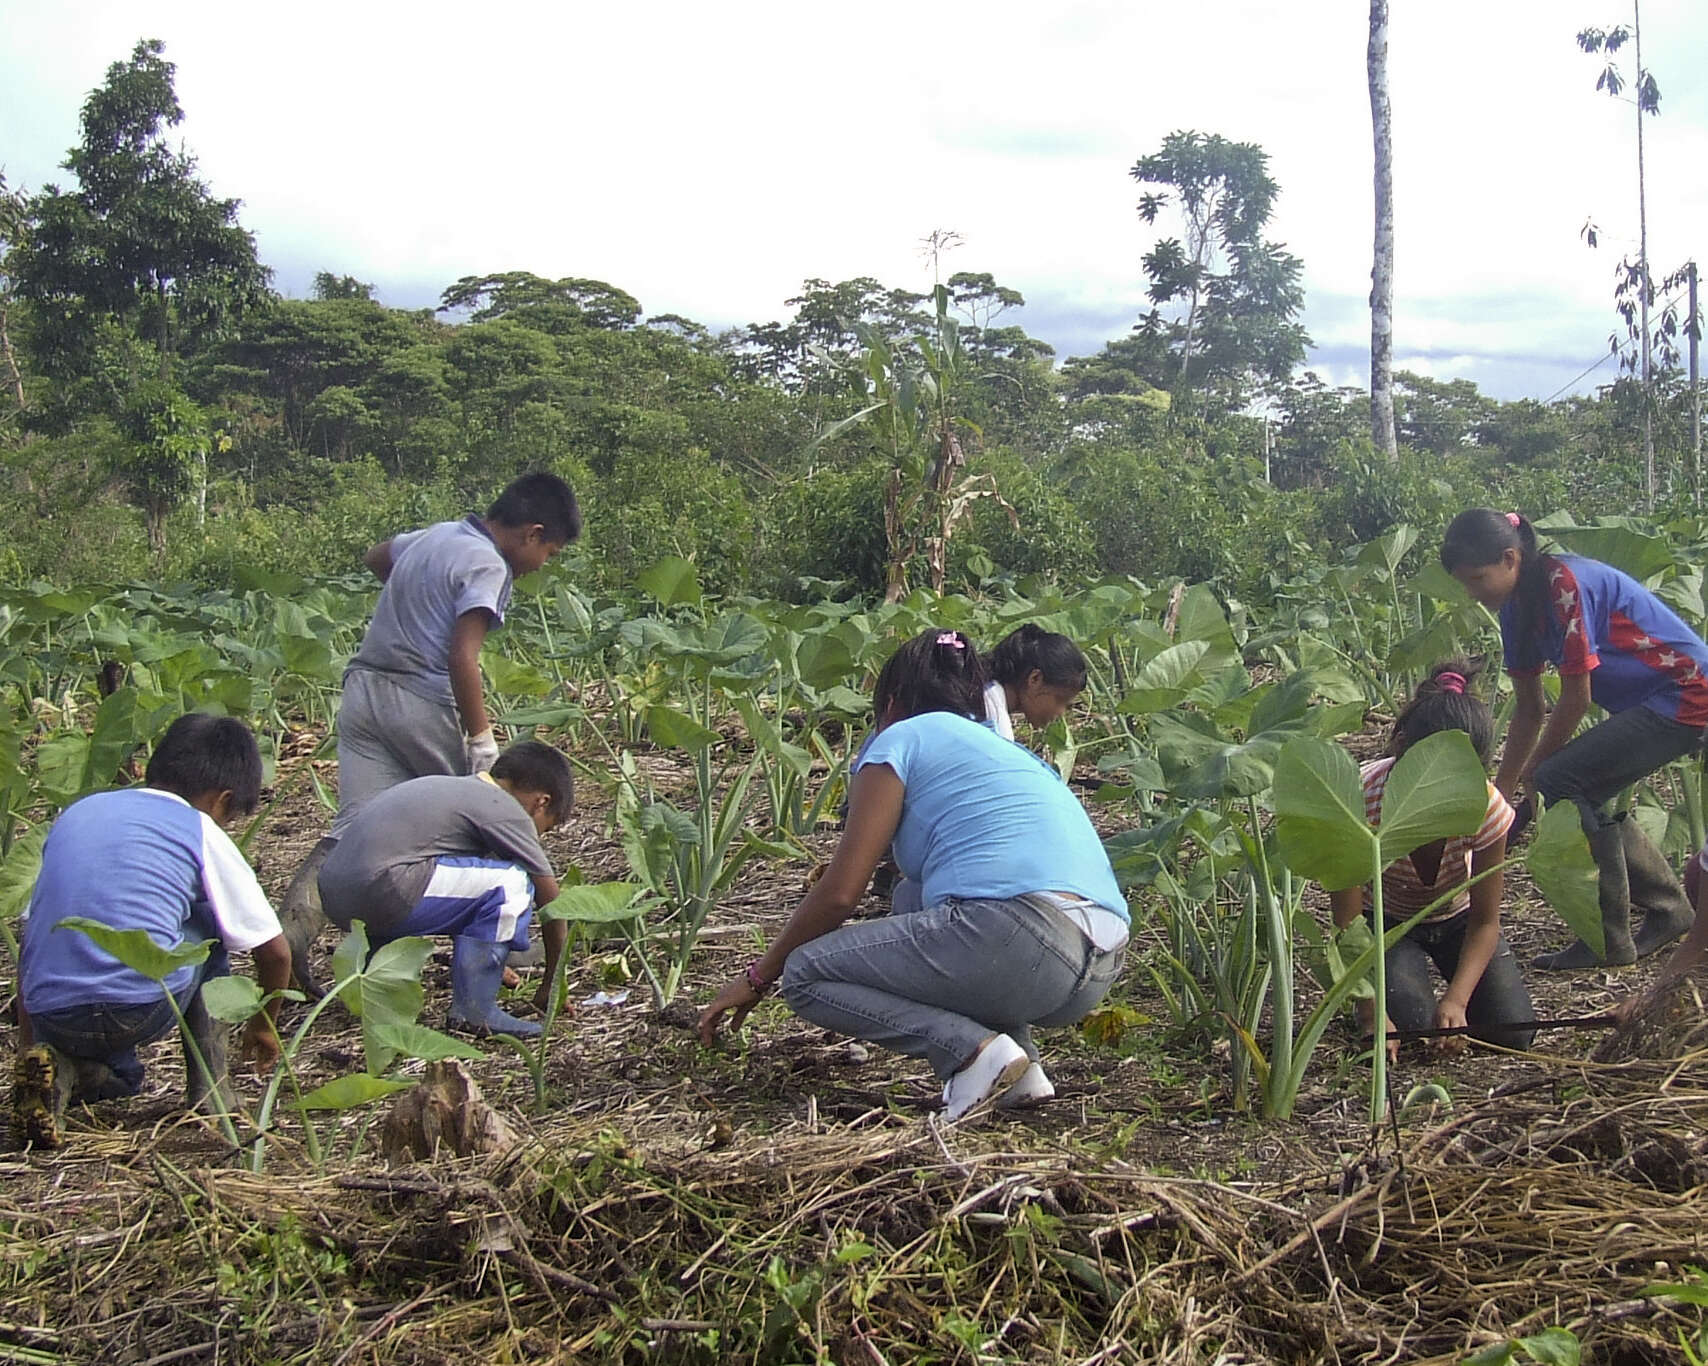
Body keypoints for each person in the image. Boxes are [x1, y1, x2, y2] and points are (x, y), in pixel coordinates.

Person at [698, 629, 1129, 1123]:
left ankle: (971, 1055)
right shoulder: (1006, 750)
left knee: (805, 973)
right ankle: (1023, 1071)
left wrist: (758, 976)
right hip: (1098, 962)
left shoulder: (898, 739)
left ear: (893, 702)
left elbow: (841, 894)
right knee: (913, 896)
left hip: (1023, 943)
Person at [278, 472, 581, 993]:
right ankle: (499, 951)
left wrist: (413, 608)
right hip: (420, 699)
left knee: (354, 827)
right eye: (550, 552)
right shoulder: (489, 563)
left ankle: (288, 943)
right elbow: (462, 657)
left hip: (364, 690)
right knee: (472, 819)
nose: (542, 565)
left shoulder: (436, 535)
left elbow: (378, 556)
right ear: (532, 533)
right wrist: (481, 739)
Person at [1442, 508, 1704, 970]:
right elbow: (1528, 709)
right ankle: (1668, 909)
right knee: (1577, 785)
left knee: (1560, 779)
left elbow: (1576, 698)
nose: (1474, 593)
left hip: (1686, 691)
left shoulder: (1563, 584)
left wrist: (1535, 772)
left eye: (1479, 579)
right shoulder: (1513, 610)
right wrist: (1499, 801)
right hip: (1656, 700)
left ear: (1510, 558)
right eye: (1466, 584)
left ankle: (1608, 940)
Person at [12, 714, 290, 1149]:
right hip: (139, 1006)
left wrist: (31, 1042)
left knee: (127, 1078)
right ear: (223, 800)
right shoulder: (199, 828)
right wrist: (263, 1026)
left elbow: (32, 941)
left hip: (56, 1009)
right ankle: (212, 1095)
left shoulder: (76, 814)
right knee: (209, 926)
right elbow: (274, 952)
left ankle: (62, 1069)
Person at [1330, 660, 1536, 1057]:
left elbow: (1485, 921)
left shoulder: (1485, 805)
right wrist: (1371, 1011)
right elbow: (1348, 923)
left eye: (1458, 774)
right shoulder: (1359, 799)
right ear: (1402, 747)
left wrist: (1457, 1001)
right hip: (1385, 924)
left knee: (1512, 1033)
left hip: (1455, 919)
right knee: (1412, 1031)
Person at [315, 739, 573, 1039]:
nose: (539, 835)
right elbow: (549, 897)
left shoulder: (450, 790)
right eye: (547, 826)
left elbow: (457, 892)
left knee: (472, 875)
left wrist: (486, 953)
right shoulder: (503, 807)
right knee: (512, 881)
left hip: (337, 893)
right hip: (385, 888)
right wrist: (554, 981)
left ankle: (379, 991)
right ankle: (476, 1013)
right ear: (541, 802)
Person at [982, 623, 1088, 742]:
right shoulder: (994, 726)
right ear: (1035, 679)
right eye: (1060, 700)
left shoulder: (980, 690)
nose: (1060, 712)